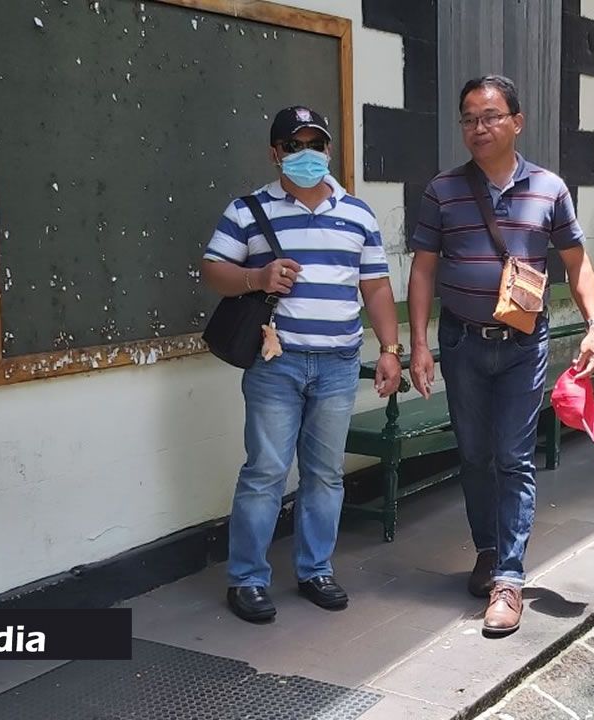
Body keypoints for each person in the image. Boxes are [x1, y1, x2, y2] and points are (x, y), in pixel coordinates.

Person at [406, 76, 594, 635]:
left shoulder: (550, 188)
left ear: (517, 122)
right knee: (473, 455)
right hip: (462, 344)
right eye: (469, 118)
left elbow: (577, 263)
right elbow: (423, 268)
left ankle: (510, 581)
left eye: (491, 116)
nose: (479, 128)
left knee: (513, 458)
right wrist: (419, 343)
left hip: (523, 346)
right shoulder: (442, 191)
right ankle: (489, 551)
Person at [201, 106, 402, 623]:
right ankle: (247, 579)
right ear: (275, 154)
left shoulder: (357, 213)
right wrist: (257, 278)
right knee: (265, 471)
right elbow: (213, 270)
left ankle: (316, 569)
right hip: (276, 364)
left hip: (337, 365)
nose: (306, 154)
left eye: (316, 143)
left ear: (330, 151)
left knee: (325, 474)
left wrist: (389, 348)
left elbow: (376, 287)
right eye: (294, 145)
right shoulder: (247, 210)